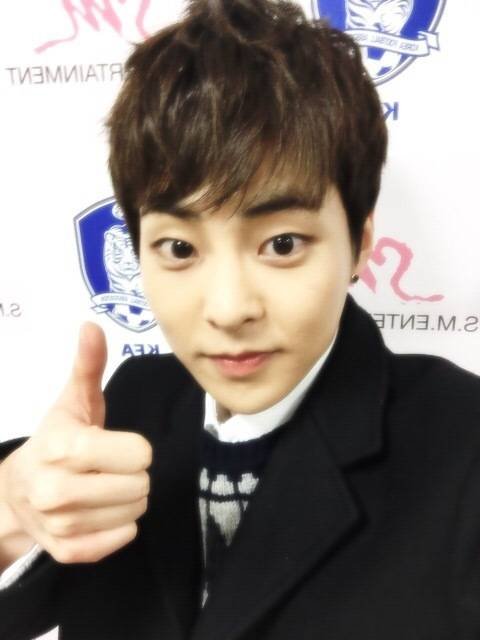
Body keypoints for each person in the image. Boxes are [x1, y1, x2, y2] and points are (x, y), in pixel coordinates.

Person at [0, 0, 479, 638]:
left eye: (282, 244)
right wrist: (11, 513)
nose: (228, 310)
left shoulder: (462, 447)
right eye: (179, 249)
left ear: (360, 243)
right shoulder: (130, 403)